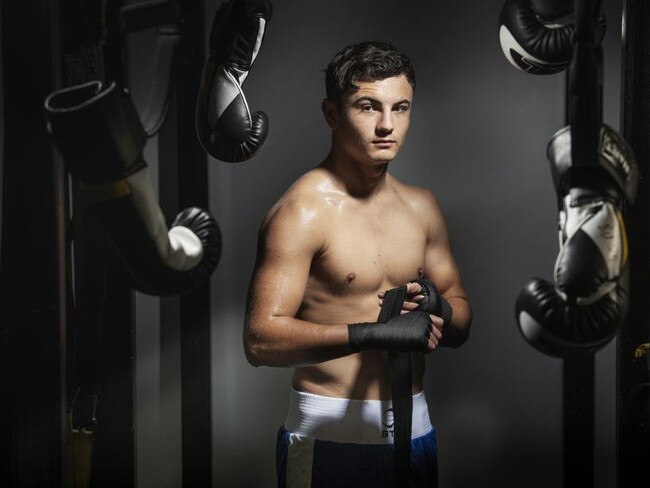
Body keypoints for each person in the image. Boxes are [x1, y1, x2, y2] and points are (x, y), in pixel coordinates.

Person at [243, 40, 472, 488]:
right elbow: (260, 341)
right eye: (368, 107)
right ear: (332, 114)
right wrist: (373, 334)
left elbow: (462, 321)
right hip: (329, 439)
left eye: (400, 108)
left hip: (414, 432)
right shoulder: (302, 212)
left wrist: (436, 304)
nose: (387, 125)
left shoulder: (422, 208)